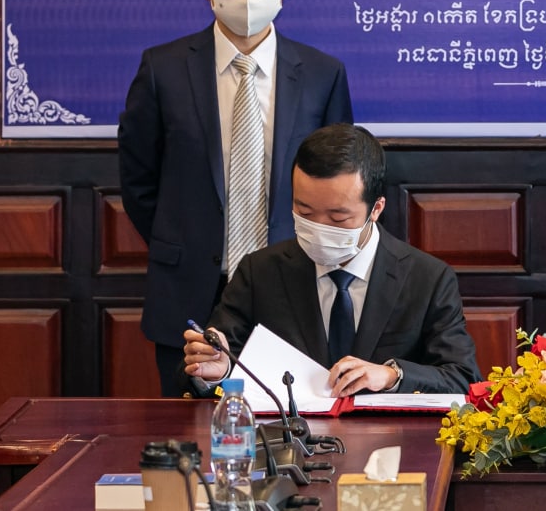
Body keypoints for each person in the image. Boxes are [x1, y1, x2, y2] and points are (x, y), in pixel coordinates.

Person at [119, 0, 354, 396]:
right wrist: (186, 241)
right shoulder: (163, 70)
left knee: (295, 429)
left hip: (294, 290)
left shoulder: (321, 74)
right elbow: (139, 182)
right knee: (188, 432)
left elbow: (339, 183)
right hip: (189, 294)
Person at [182, 123, 481, 395]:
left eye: (338, 218)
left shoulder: (427, 279)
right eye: (305, 212)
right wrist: (216, 372)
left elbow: (462, 377)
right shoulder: (260, 272)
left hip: (388, 436)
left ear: (376, 209)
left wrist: (392, 375)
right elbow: (212, 364)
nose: (319, 228)